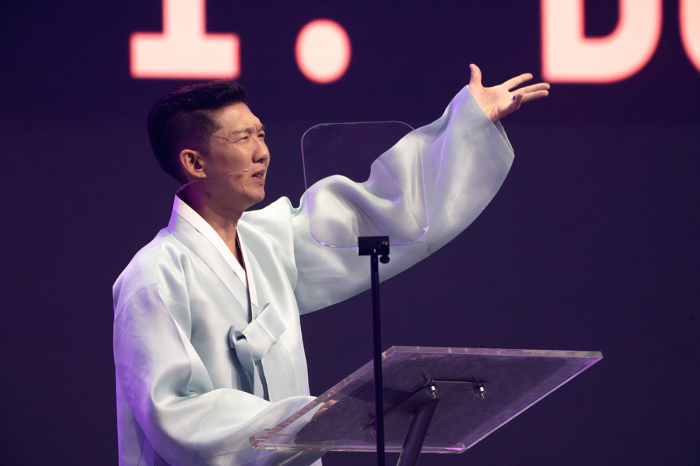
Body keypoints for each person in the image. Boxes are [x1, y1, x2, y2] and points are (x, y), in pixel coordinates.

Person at [113, 64, 549, 466]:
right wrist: (310, 419)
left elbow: (377, 213)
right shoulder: (154, 275)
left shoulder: (271, 239)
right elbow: (174, 412)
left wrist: (465, 129)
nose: (262, 152)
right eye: (243, 138)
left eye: (261, 135)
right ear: (194, 162)